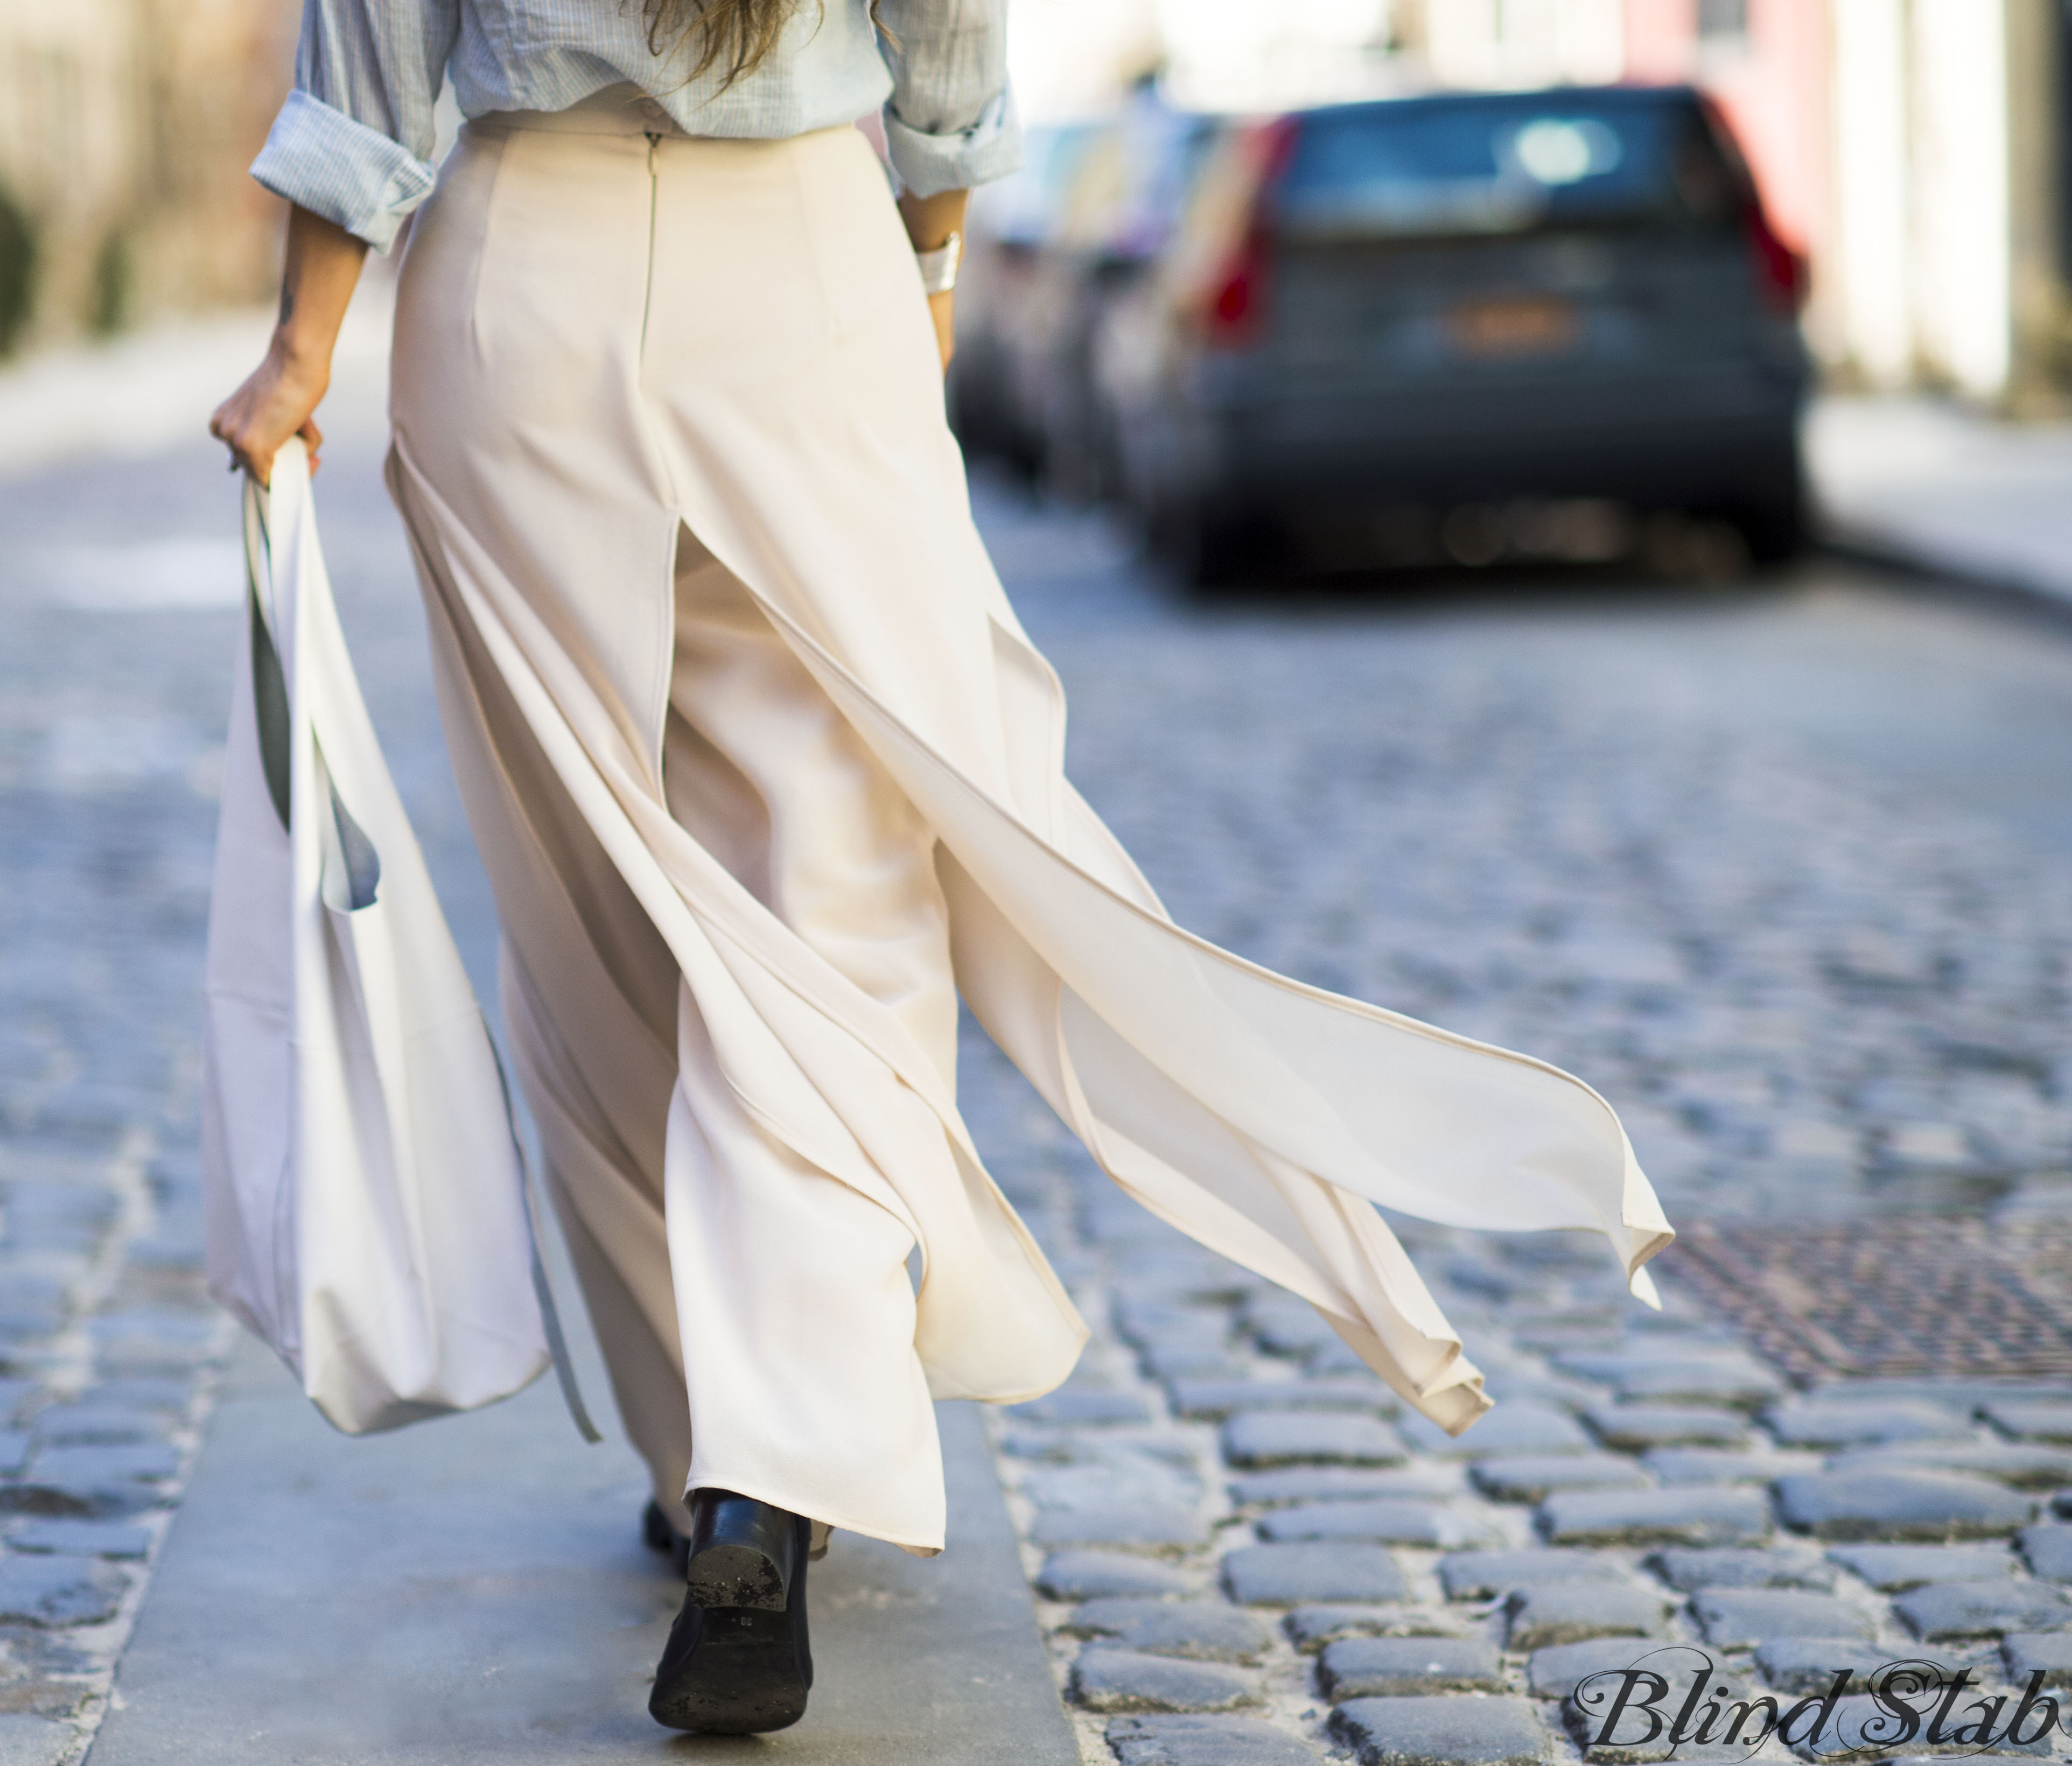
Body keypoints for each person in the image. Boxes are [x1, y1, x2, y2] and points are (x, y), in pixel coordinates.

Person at [208, 0, 1674, 1737]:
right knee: (831, 900)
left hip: (520, 277)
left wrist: (304, 347)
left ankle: (703, 1469)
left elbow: (372, 57)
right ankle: (775, 1458)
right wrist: (925, 270)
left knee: (597, 907)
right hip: (810, 270)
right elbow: (949, 49)